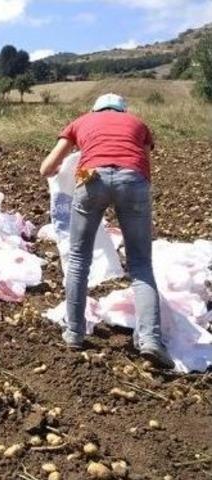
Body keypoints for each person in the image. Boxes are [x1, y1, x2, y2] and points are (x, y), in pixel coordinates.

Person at [39, 93, 174, 369]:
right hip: (134, 182)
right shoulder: (138, 124)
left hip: (92, 181)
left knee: (78, 260)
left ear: (95, 109)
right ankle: (150, 339)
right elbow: (143, 166)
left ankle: (74, 332)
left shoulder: (81, 122)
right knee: (140, 264)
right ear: (124, 111)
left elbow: (47, 168)